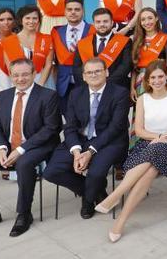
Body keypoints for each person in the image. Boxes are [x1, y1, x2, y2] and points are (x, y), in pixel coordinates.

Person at [94, 60, 167, 242]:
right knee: (151, 167)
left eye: (160, 76)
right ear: (147, 80)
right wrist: (159, 136)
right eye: (152, 77)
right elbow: (139, 130)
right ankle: (120, 221)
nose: (157, 80)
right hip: (148, 142)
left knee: (155, 154)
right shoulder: (142, 99)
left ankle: (116, 197)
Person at [0, 59, 61, 238]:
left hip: (37, 144)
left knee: (24, 164)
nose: (20, 79)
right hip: (8, 146)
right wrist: (1, 149)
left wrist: (20, 150)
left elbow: (51, 129)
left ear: (34, 74)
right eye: (16, 75)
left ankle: (24, 214)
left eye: (25, 74)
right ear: (11, 76)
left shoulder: (48, 96)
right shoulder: (5, 95)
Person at [42, 58, 130, 218]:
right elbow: (70, 126)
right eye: (89, 72)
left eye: (98, 71)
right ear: (83, 76)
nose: (94, 75)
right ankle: (95, 190)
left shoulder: (120, 93)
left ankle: (88, 201)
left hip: (110, 141)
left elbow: (116, 127)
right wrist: (76, 152)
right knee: (51, 171)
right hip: (80, 140)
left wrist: (89, 152)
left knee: (95, 173)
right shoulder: (76, 93)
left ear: (106, 72)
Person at [72, 8, 133, 90]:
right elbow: (77, 69)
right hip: (88, 90)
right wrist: (90, 85)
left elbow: (126, 66)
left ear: (112, 23)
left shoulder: (125, 41)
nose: (102, 24)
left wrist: (104, 85)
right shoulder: (82, 43)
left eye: (105, 21)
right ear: (93, 24)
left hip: (116, 89)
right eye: (98, 22)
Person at [1, 5, 54, 89]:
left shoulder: (47, 39)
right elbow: (10, 67)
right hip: (19, 81)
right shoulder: (8, 41)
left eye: (35, 18)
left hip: (43, 81)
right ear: (21, 20)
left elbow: (48, 64)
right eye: (27, 18)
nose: (31, 21)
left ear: (39, 20)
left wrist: (40, 85)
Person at [51, 0, 92, 103]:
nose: (73, 12)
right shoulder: (56, 32)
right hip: (64, 85)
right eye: (69, 9)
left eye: (77, 9)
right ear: (64, 12)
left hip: (88, 83)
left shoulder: (93, 30)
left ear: (83, 11)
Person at [129, 7, 167, 99]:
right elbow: (134, 68)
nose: (147, 22)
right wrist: (132, 87)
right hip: (140, 82)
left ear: (156, 18)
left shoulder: (166, 38)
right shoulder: (135, 41)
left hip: (160, 79)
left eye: (150, 18)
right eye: (143, 20)